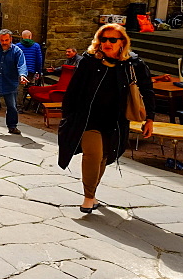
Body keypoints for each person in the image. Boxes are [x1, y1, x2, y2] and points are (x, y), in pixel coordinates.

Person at [58, 23, 155, 213]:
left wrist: (149, 118)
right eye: (103, 39)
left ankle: (92, 194)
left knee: (104, 157)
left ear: (122, 43)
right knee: (92, 155)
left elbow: (147, 90)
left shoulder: (133, 63)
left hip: (115, 121)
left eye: (112, 39)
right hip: (87, 119)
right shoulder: (88, 61)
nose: (107, 43)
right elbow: (73, 90)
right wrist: (68, 115)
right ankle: (88, 197)